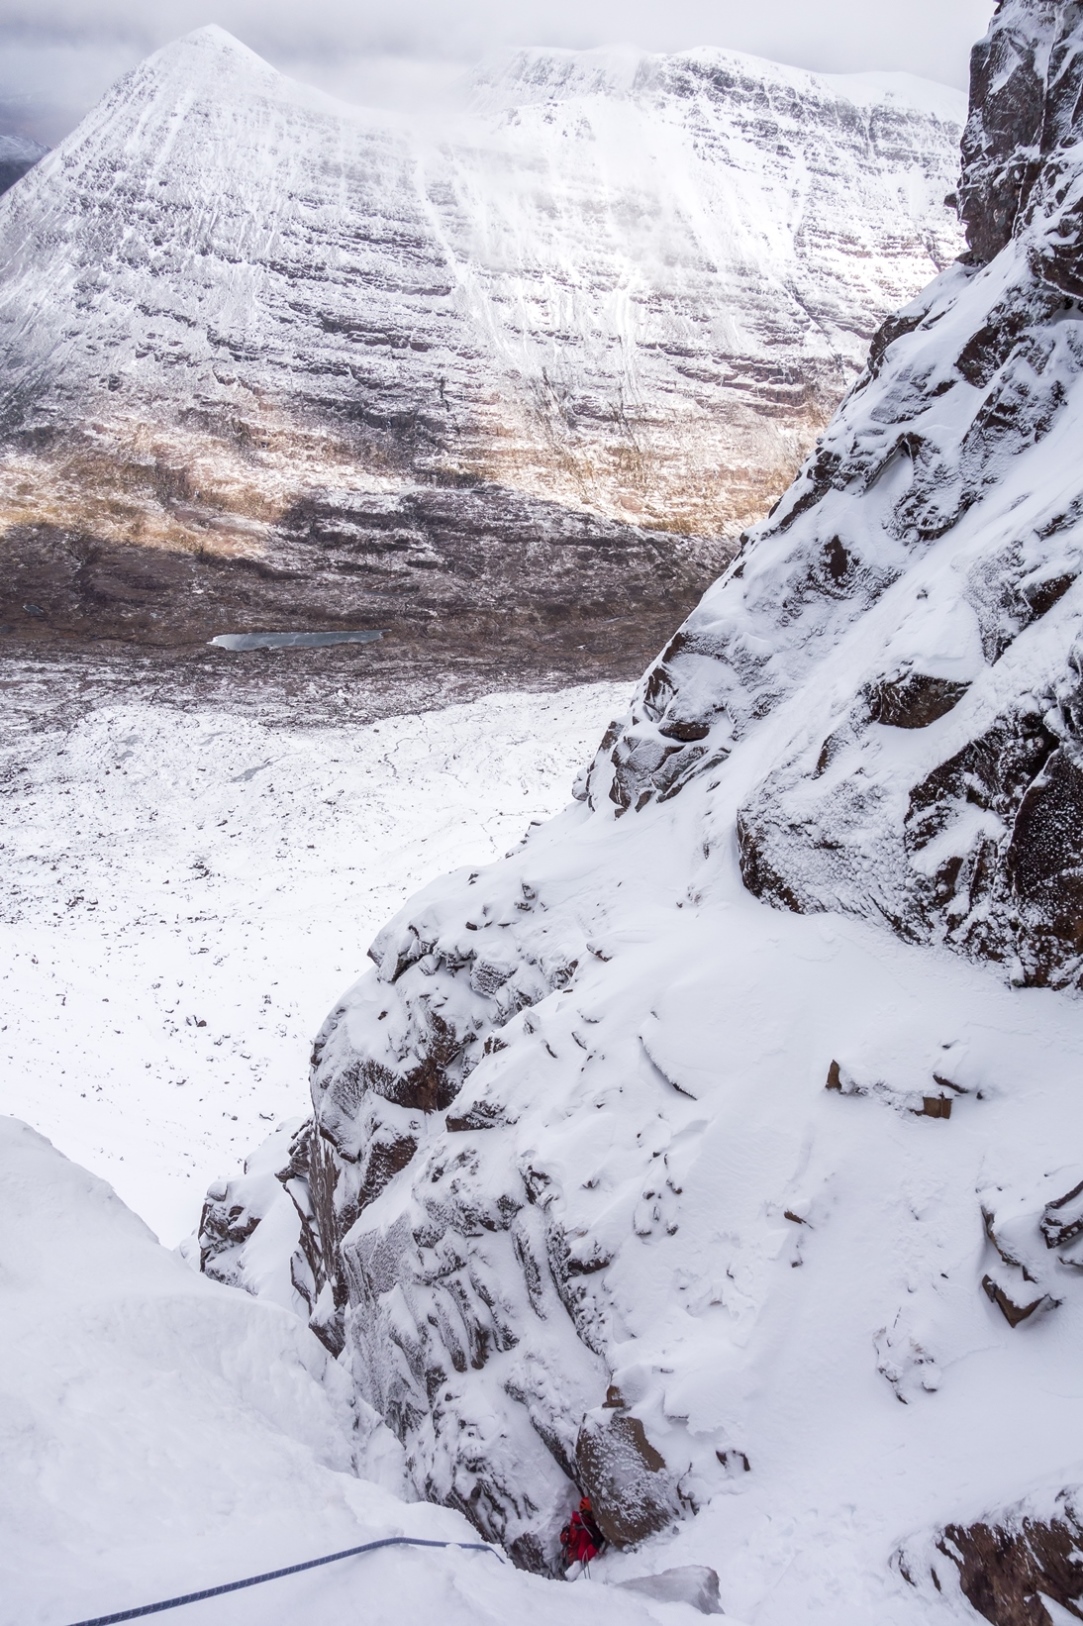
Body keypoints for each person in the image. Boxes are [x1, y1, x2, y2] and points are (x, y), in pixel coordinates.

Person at [559, 1495, 606, 1575]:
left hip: (567, 1558)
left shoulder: (577, 1520)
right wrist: (594, 1545)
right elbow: (582, 1555)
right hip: (573, 1566)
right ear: (588, 1513)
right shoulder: (585, 1531)